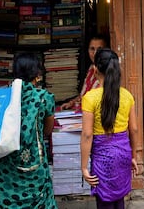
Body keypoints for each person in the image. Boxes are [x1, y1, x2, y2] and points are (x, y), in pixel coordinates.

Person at [0, 52, 57, 208]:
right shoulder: (44, 98)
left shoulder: (1, 96)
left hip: (5, 169)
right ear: (37, 74)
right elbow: (48, 130)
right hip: (34, 168)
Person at [80, 48, 138, 209]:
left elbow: (87, 135)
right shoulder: (127, 95)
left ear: (95, 69)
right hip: (123, 154)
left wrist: (84, 167)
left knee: (104, 202)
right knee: (119, 200)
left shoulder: (90, 98)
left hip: (103, 157)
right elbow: (133, 129)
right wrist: (134, 156)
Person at [60, 34, 108, 110]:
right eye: (92, 49)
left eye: (99, 49)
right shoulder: (91, 69)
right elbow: (83, 95)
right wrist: (71, 103)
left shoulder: (108, 71)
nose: (95, 53)